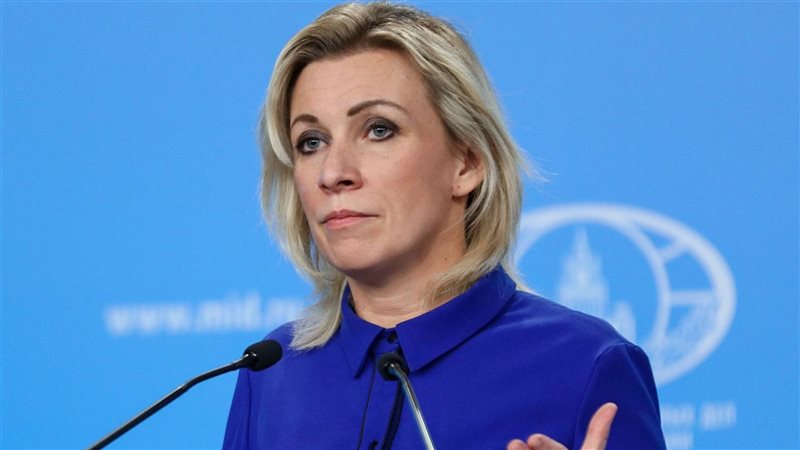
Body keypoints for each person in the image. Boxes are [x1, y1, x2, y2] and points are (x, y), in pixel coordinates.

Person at [224, 2, 666, 449]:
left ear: (466, 163)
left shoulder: (585, 365)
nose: (333, 172)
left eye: (379, 130)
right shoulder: (271, 374)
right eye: (311, 142)